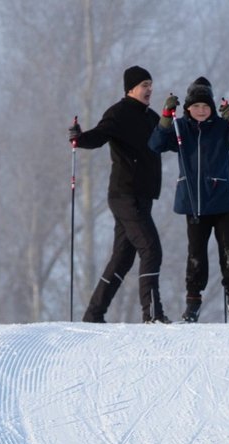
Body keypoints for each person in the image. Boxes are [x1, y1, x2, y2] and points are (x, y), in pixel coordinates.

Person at [148, 76, 229, 323]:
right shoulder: (180, 128)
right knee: (196, 256)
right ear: (187, 108)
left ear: (211, 108)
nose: (200, 111)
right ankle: (192, 304)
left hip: (222, 202)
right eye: (195, 106)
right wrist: (165, 116)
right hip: (194, 204)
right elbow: (155, 145)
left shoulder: (221, 127)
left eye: (205, 106)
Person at [68, 65, 170, 324]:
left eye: (151, 84)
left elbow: (168, 139)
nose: (150, 89)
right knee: (151, 249)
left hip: (143, 196)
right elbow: (99, 136)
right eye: (144, 85)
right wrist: (79, 138)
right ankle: (152, 313)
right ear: (131, 88)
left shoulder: (151, 118)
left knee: (122, 258)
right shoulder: (119, 112)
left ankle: (93, 315)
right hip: (125, 194)